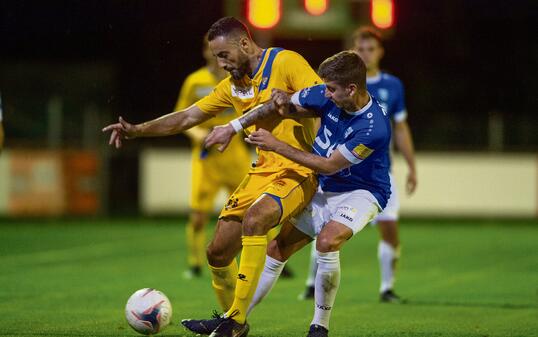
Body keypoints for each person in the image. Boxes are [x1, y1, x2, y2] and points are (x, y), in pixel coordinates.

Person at [103, 17, 321, 337]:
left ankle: (232, 322)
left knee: (256, 220)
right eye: (216, 57)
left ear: (244, 44)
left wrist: (293, 115)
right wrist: (138, 130)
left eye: (223, 55)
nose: (220, 64)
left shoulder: (285, 61)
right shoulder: (232, 86)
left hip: (299, 168)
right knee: (217, 252)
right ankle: (235, 322)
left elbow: (321, 100)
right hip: (262, 171)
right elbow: (189, 116)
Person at [241, 50, 392, 337]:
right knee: (277, 248)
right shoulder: (327, 93)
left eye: (332, 89)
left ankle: (319, 327)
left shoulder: (374, 127)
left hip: (363, 191)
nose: (326, 94)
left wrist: (276, 144)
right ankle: (235, 319)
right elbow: (287, 102)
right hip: (326, 187)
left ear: (352, 89)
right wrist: (280, 100)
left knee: (327, 241)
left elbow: (329, 165)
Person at [299, 26, 417, 303]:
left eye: (370, 49)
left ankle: (387, 288)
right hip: (338, 171)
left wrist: (412, 166)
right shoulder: (338, 87)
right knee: (324, 229)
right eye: (360, 49)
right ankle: (310, 283)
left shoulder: (392, 86)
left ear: (380, 52)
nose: (365, 54)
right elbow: (318, 117)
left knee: (390, 230)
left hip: (376, 175)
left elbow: (401, 128)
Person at [175, 35, 250, 279]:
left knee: (251, 209)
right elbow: (182, 115)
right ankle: (194, 262)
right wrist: (197, 134)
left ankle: (267, 259)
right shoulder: (194, 81)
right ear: (206, 53)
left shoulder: (239, 80)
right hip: (207, 155)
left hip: (234, 150)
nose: (218, 57)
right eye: (213, 52)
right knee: (198, 216)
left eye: (223, 52)